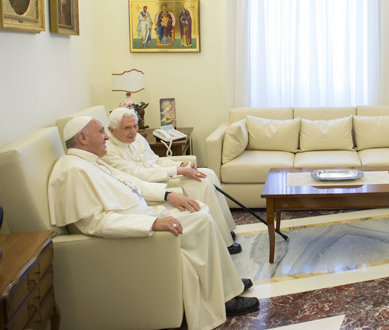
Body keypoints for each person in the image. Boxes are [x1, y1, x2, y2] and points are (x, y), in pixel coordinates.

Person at [48, 117, 259, 328]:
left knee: (200, 211)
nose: (106, 137)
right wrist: (151, 224)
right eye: (102, 131)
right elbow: (94, 223)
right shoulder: (72, 171)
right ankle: (225, 298)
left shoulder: (91, 161)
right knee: (201, 219)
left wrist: (168, 195)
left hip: (145, 214)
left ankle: (226, 286)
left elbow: (133, 183)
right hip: (135, 232)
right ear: (83, 138)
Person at [102, 107, 240, 254]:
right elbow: (138, 175)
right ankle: (223, 243)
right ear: (112, 130)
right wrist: (177, 171)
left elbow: (155, 160)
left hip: (162, 175)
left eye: (135, 126)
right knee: (199, 181)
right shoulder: (108, 151)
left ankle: (224, 229)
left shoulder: (138, 138)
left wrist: (179, 165)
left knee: (208, 173)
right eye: (127, 128)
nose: (133, 131)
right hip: (151, 185)